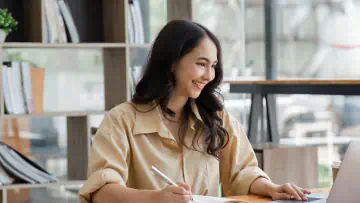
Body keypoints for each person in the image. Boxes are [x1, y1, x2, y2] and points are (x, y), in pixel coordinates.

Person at [78, 20, 310, 203]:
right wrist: (156, 199)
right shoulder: (121, 120)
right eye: (201, 63)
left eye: (213, 66)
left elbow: (243, 172)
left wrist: (272, 189)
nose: (209, 76)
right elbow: (102, 192)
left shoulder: (217, 118)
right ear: (172, 62)